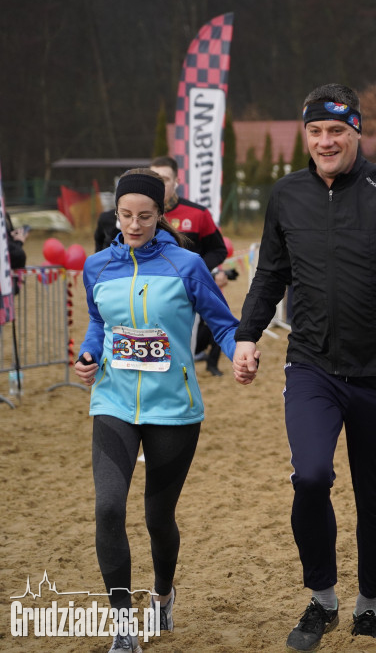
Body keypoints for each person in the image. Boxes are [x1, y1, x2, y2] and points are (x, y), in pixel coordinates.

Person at [232, 83, 376, 649]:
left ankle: (368, 606)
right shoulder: (286, 195)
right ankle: (322, 600)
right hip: (312, 365)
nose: (324, 141)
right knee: (310, 477)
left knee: (374, 499)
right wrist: (246, 334)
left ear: (356, 131)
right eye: (314, 132)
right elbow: (270, 274)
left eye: (336, 130)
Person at [73, 169, 238, 653]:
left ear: (160, 215)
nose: (134, 224)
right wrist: (87, 357)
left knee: (158, 518)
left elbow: (222, 323)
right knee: (107, 510)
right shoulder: (97, 266)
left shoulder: (186, 264)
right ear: (117, 214)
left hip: (174, 409)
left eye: (145, 216)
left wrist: (239, 354)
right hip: (113, 402)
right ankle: (124, 626)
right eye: (126, 215)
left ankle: (163, 595)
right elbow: (98, 324)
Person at [150, 156, 230, 376]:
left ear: (177, 180)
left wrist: (195, 271)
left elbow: (219, 250)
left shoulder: (197, 213)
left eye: (165, 179)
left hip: (185, 296)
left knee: (183, 353)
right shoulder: (140, 217)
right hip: (145, 294)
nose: (160, 184)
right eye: (154, 179)